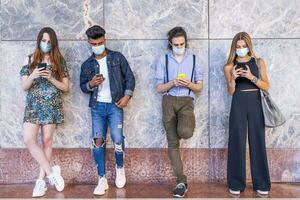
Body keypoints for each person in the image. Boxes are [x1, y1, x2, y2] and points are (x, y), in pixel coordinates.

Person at [80, 25, 135, 195]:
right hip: (97, 107)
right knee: (97, 140)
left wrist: (126, 97)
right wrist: (91, 84)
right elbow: (83, 86)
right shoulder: (87, 64)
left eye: (100, 42)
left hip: (115, 105)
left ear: (105, 40)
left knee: (118, 138)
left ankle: (120, 168)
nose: (97, 45)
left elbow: (130, 78)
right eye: (94, 43)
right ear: (89, 43)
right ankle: (101, 178)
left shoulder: (117, 58)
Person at [20, 27, 69, 197]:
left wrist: (51, 78)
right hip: (33, 106)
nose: (46, 44)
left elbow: (66, 87)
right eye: (43, 40)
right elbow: (24, 86)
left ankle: (40, 182)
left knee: (47, 141)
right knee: (29, 140)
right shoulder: (30, 59)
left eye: (49, 41)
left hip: (51, 106)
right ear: (39, 40)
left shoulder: (59, 61)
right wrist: (33, 74)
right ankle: (51, 173)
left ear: (53, 43)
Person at [155, 26, 204, 198]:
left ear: (185, 43)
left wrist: (188, 84)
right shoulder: (163, 60)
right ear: (170, 43)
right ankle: (181, 181)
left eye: (182, 43)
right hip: (168, 101)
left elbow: (199, 86)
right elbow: (159, 87)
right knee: (172, 144)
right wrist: (172, 83)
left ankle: (179, 130)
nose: (179, 46)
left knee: (186, 132)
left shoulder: (195, 59)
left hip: (186, 101)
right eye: (176, 44)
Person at [223, 32, 271, 196]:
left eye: (244, 46)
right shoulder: (229, 66)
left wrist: (251, 77)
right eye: (238, 47)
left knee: (258, 140)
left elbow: (266, 86)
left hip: (255, 102)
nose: (241, 49)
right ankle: (236, 182)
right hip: (238, 103)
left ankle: (262, 183)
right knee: (236, 140)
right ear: (234, 47)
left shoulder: (258, 62)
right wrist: (232, 79)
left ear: (249, 46)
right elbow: (230, 92)